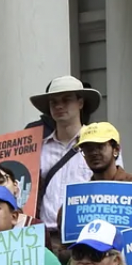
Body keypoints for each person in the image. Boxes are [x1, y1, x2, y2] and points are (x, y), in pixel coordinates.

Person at [28, 75, 101, 235]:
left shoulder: (101, 145)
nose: (59, 106)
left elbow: (114, 187)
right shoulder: (38, 149)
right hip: (45, 236)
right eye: (53, 102)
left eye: (66, 100)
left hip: (86, 234)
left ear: (80, 103)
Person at [77, 123, 132, 221]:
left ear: (116, 149)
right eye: (88, 149)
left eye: (100, 146)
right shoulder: (81, 195)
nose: (94, 153)